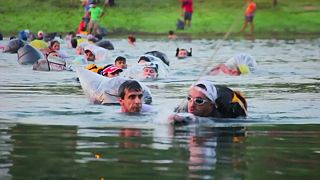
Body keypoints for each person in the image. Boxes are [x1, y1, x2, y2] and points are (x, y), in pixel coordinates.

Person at [170, 79, 247, 124]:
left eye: (199, 101)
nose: (192, 105)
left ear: (211, 105)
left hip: (229, 96)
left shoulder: (229, 111)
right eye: (189, 98)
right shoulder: (184, 107)